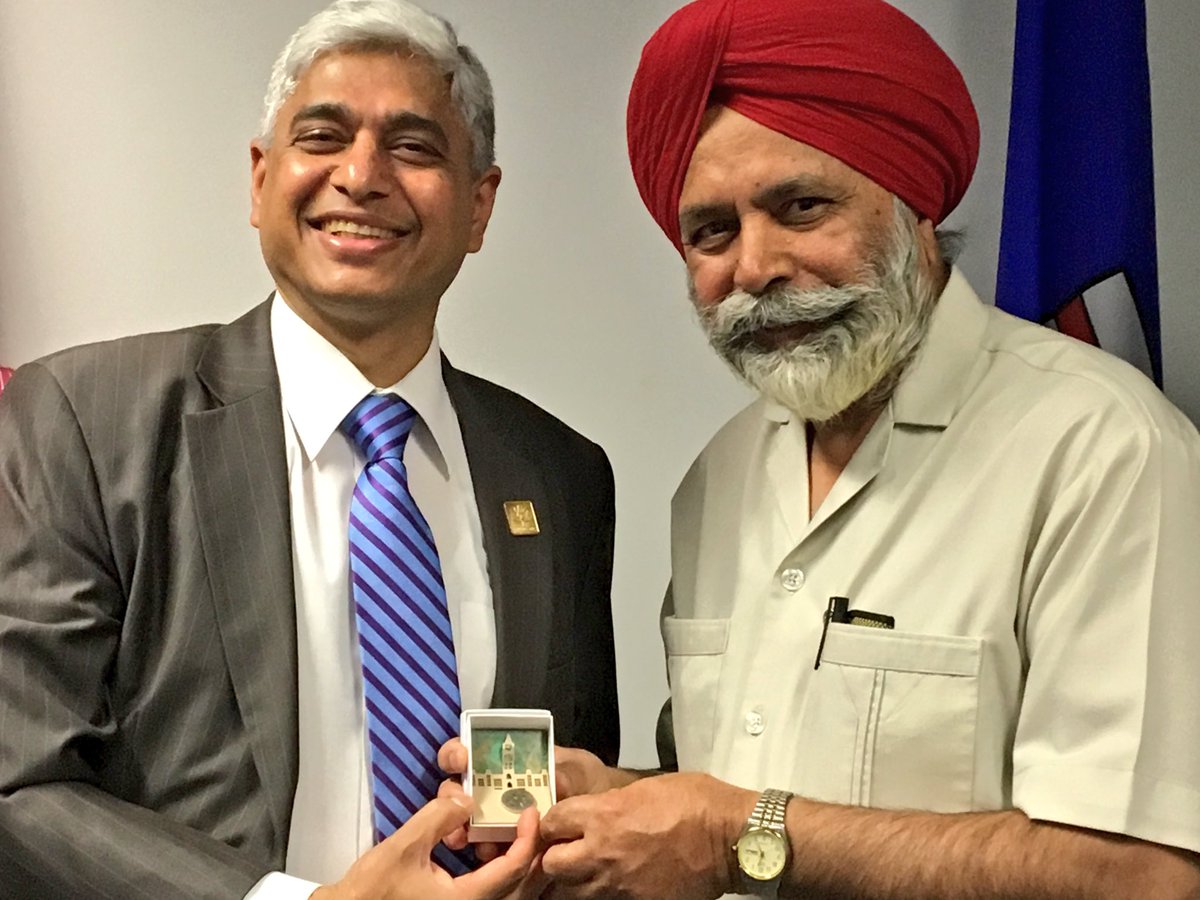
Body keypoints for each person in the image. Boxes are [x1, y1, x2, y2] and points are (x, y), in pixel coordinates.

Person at [525, 0, 1200, 897]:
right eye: (712, 232)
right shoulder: (717, 480)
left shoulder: (1099, 448)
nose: (755, 267)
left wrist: (733, 832)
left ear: (915, 204)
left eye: (801, 207)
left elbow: (1138, 876)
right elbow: (746, 790)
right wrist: (622, 805)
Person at [0, 2, 618, 898]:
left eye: (414, 147)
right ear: (260, 181)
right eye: (323, 135)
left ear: (479, 205)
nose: (361, 176)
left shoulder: (561, 474)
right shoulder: (86, 421)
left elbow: (577, 785)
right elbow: (19, 774)